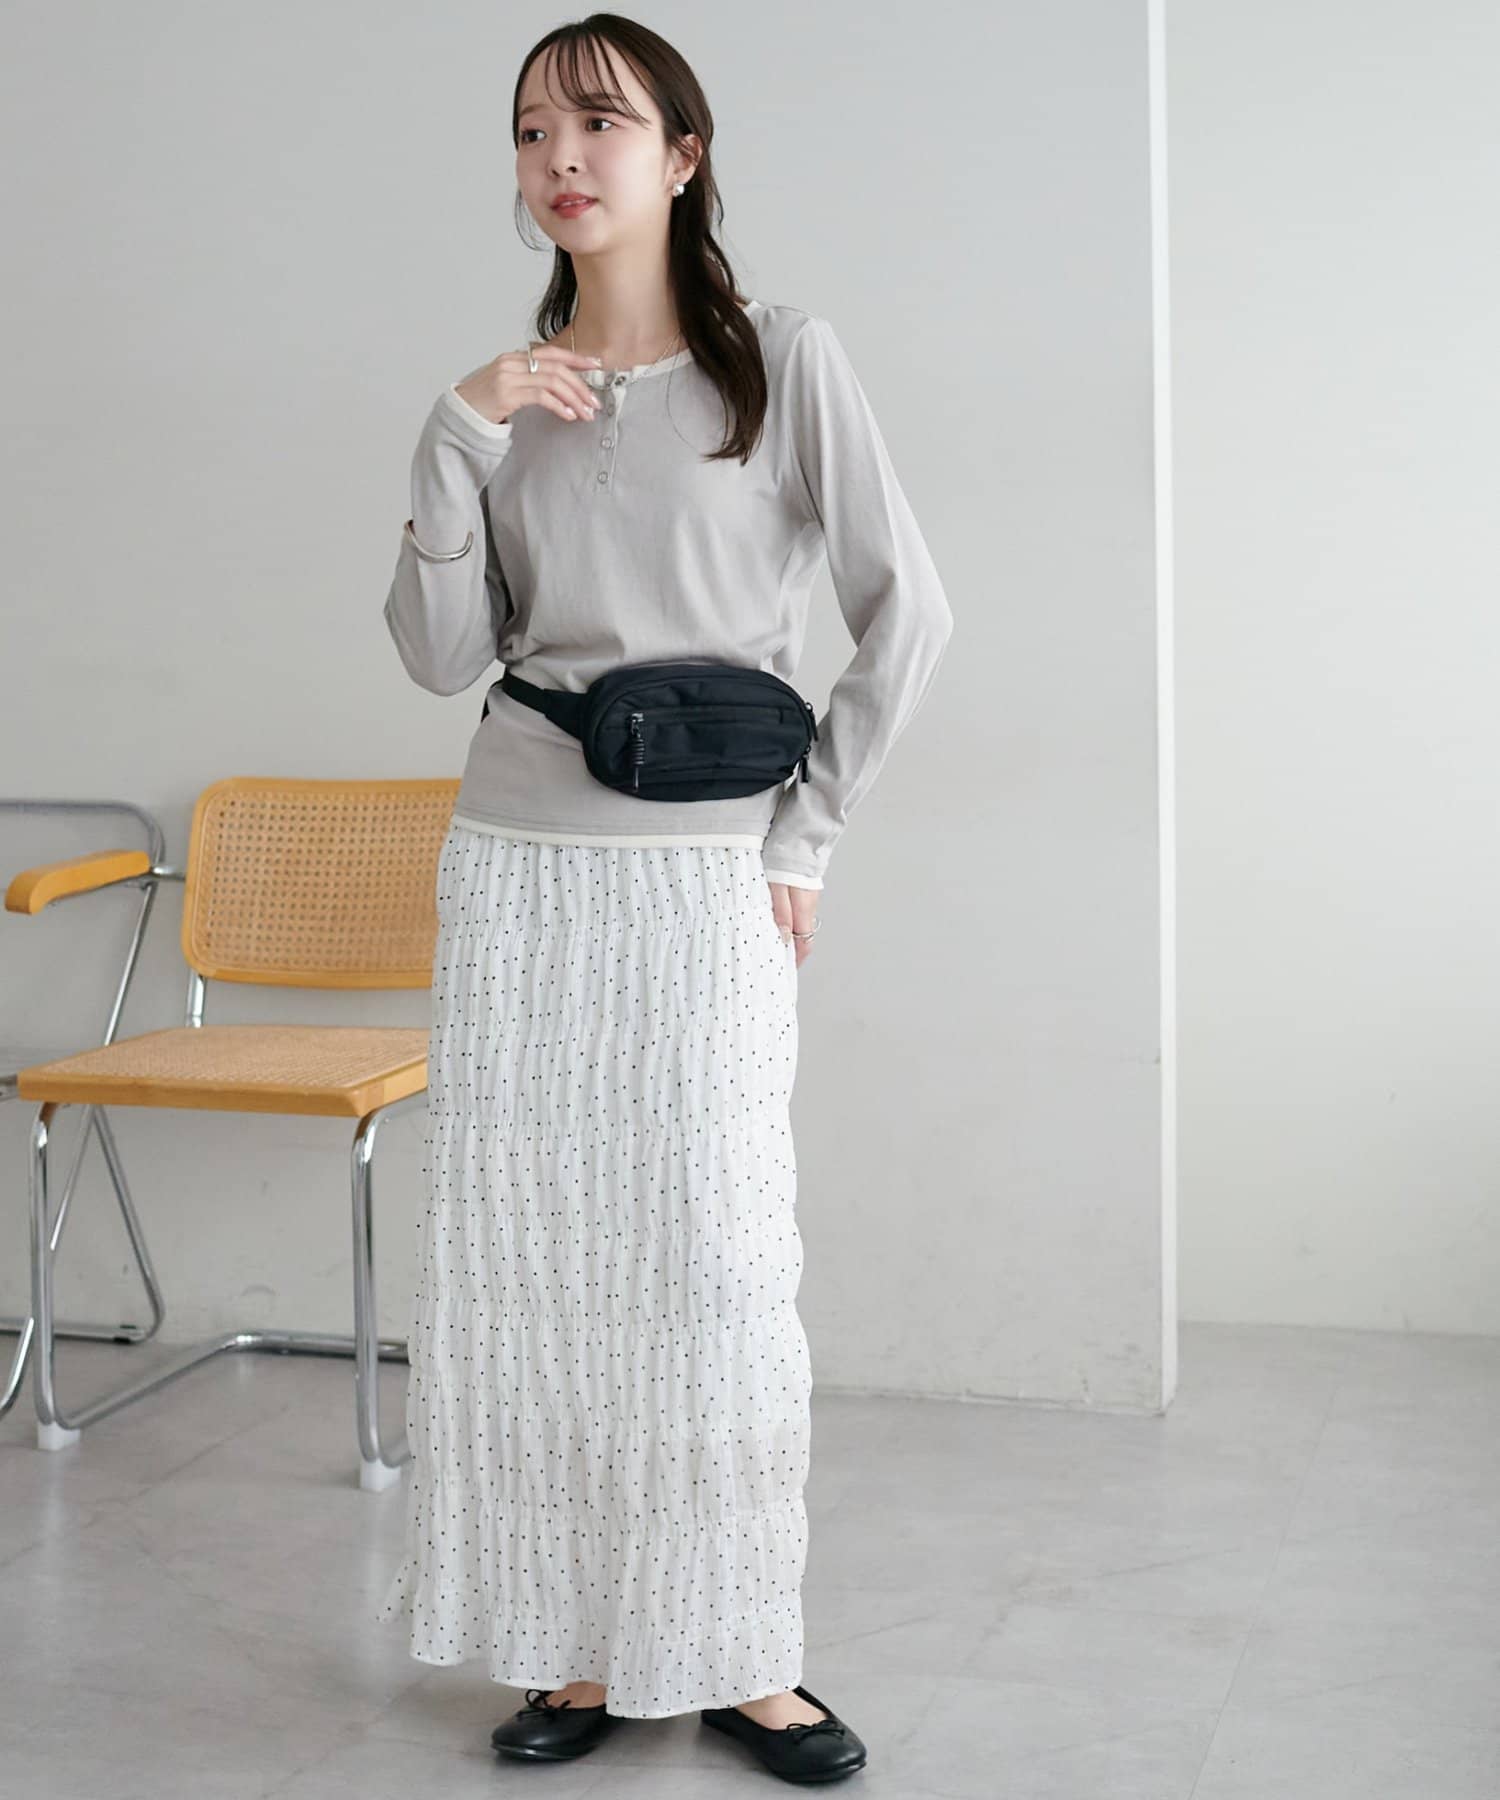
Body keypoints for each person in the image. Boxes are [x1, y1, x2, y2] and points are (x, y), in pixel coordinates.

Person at [375, 12, 953, 1785]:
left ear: (683, 156)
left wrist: (806, 837)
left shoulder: (780, 359)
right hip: (517, 871)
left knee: (712, 1265)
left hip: (703, 876)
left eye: (601, 123)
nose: (562, 156)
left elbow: (909, 612)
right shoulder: (507, 398)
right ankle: (576, 1648)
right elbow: (442, 655)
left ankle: (743, 1652)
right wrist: (453, 438)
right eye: (532, 128)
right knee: (540, 1272)